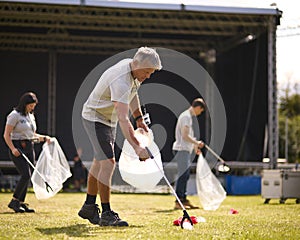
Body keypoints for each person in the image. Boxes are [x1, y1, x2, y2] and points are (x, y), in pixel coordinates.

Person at [78, 47, 162, 226]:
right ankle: (107, 214)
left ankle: (88, 206)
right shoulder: (120, 79)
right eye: (147, 72)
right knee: (108, 163)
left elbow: (132, 95)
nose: (148, 76)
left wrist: (139, 118)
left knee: (99, 162)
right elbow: (123, 118)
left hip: (108, 120)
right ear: (137, 64)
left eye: (151, 73)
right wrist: (137, 147)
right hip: (95, 117)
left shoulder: (134, 72)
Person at [3, 92, 51, 213]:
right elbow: (6, 134)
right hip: (18, 146)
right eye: (30, 105)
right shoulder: (14, 115)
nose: (32, 108)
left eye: (33, 106)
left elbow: (32, 135)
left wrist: (44, 138)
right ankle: (14, 201)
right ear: (24, 104)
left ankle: (21, 202)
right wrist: (13, 148)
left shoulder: (30, 116)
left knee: (29, 175)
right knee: (26, 174)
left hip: (30, 146)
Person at [172, 98, 206, 210]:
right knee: (183, 175)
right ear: (197, 107)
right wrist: (197, 143)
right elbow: (185, 135)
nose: (199, 113)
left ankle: (183, 198)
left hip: (185, 149)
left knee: (185, 175)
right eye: (200, 111)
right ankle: (179, 201)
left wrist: (195, 146)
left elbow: (187, 136)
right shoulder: (186, 117)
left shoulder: (187, 117)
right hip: (181, 149)